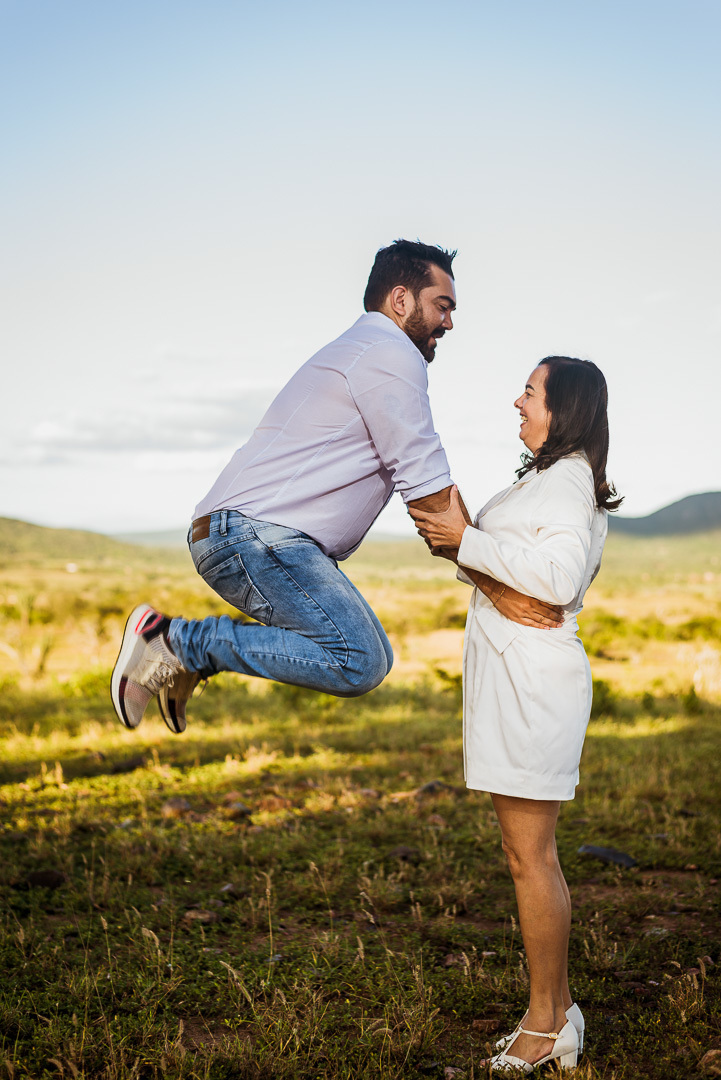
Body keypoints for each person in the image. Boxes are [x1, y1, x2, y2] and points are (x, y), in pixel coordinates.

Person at [111, 241, 562, 734]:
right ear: (401, 300)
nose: (450, 323)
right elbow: (433, 499)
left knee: (368, 656)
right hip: (254, 536)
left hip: (244, 536)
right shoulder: (390, 355)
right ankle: (177, 642)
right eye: (443, 306)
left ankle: (188, 654)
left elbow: (433, 500)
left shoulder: (367, 351)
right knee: (359, 659)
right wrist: (503, 592)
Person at [410, 356, 621, 1074]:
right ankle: (557, 1012)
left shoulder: (564, 482)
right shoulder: (548, 478)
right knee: (530, 856)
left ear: (563, 408)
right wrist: (463, 544)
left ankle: (544, 1022)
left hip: (533, 683)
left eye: (529, 392)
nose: (516, 401)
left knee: (528, 859)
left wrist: (464, 541)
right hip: (520, 676)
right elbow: (511, 571)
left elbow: (556, 580)